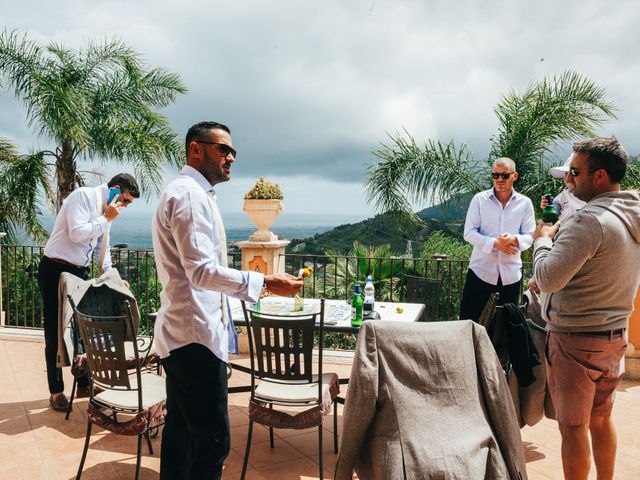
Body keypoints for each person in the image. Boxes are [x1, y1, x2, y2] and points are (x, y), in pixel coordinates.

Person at [152, 121, 303, 480]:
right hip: (194, 339)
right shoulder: (189, 196)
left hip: (180, 334)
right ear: (195, 149)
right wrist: (264, 279)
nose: (231, 157)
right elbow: (202, 272)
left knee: (181, 435)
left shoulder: (190, 193)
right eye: (223, 149)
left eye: (233, 151)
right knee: (212, 442)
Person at [533, 137, 640, 480]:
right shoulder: (630, 214)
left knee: (573, 428)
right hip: (614, 337)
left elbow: (548, 278)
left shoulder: (589, 221)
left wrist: (543, 239)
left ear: (600, 176)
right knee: (601, 419)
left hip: (575, 339)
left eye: (575, 172)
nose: (570, 179)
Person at [37, 173, 139, 411]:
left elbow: (102, 251)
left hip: (79, 273)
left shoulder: (107, 214)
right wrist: (105, 219)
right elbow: (76, 233)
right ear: (115, 190)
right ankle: (56, 391)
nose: (123, 206)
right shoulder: (83, 196)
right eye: (125, 200)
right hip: (54, 268)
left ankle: (83, 384)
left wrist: (115, 278)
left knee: (82, 329)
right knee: (55, 330)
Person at [459, 157, 535, 322]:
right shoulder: (479, 200)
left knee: (506, 328)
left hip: (511, 275)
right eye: (495, 175)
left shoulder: (525, 203)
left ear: (514, 176)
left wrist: (514, 239)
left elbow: (530, 236)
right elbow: (468, 233)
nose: (499, 179)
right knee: (467, 321)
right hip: (480, 272)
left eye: (504, 175)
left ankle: (495, 350)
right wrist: (495, 244)